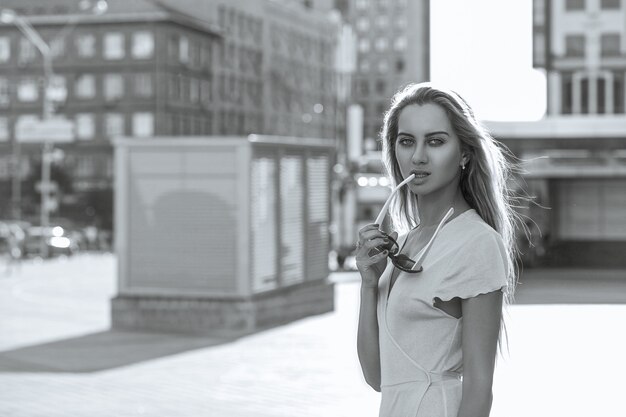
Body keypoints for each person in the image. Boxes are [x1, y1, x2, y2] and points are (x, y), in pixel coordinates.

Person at [355, 82, 522, 417]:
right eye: (406, 142)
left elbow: (478, 389)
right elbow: (378, 378)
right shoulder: (403, 242)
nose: (418, 156)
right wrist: (369, 285)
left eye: (435, 141)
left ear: (464, 153)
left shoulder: (476, 242)